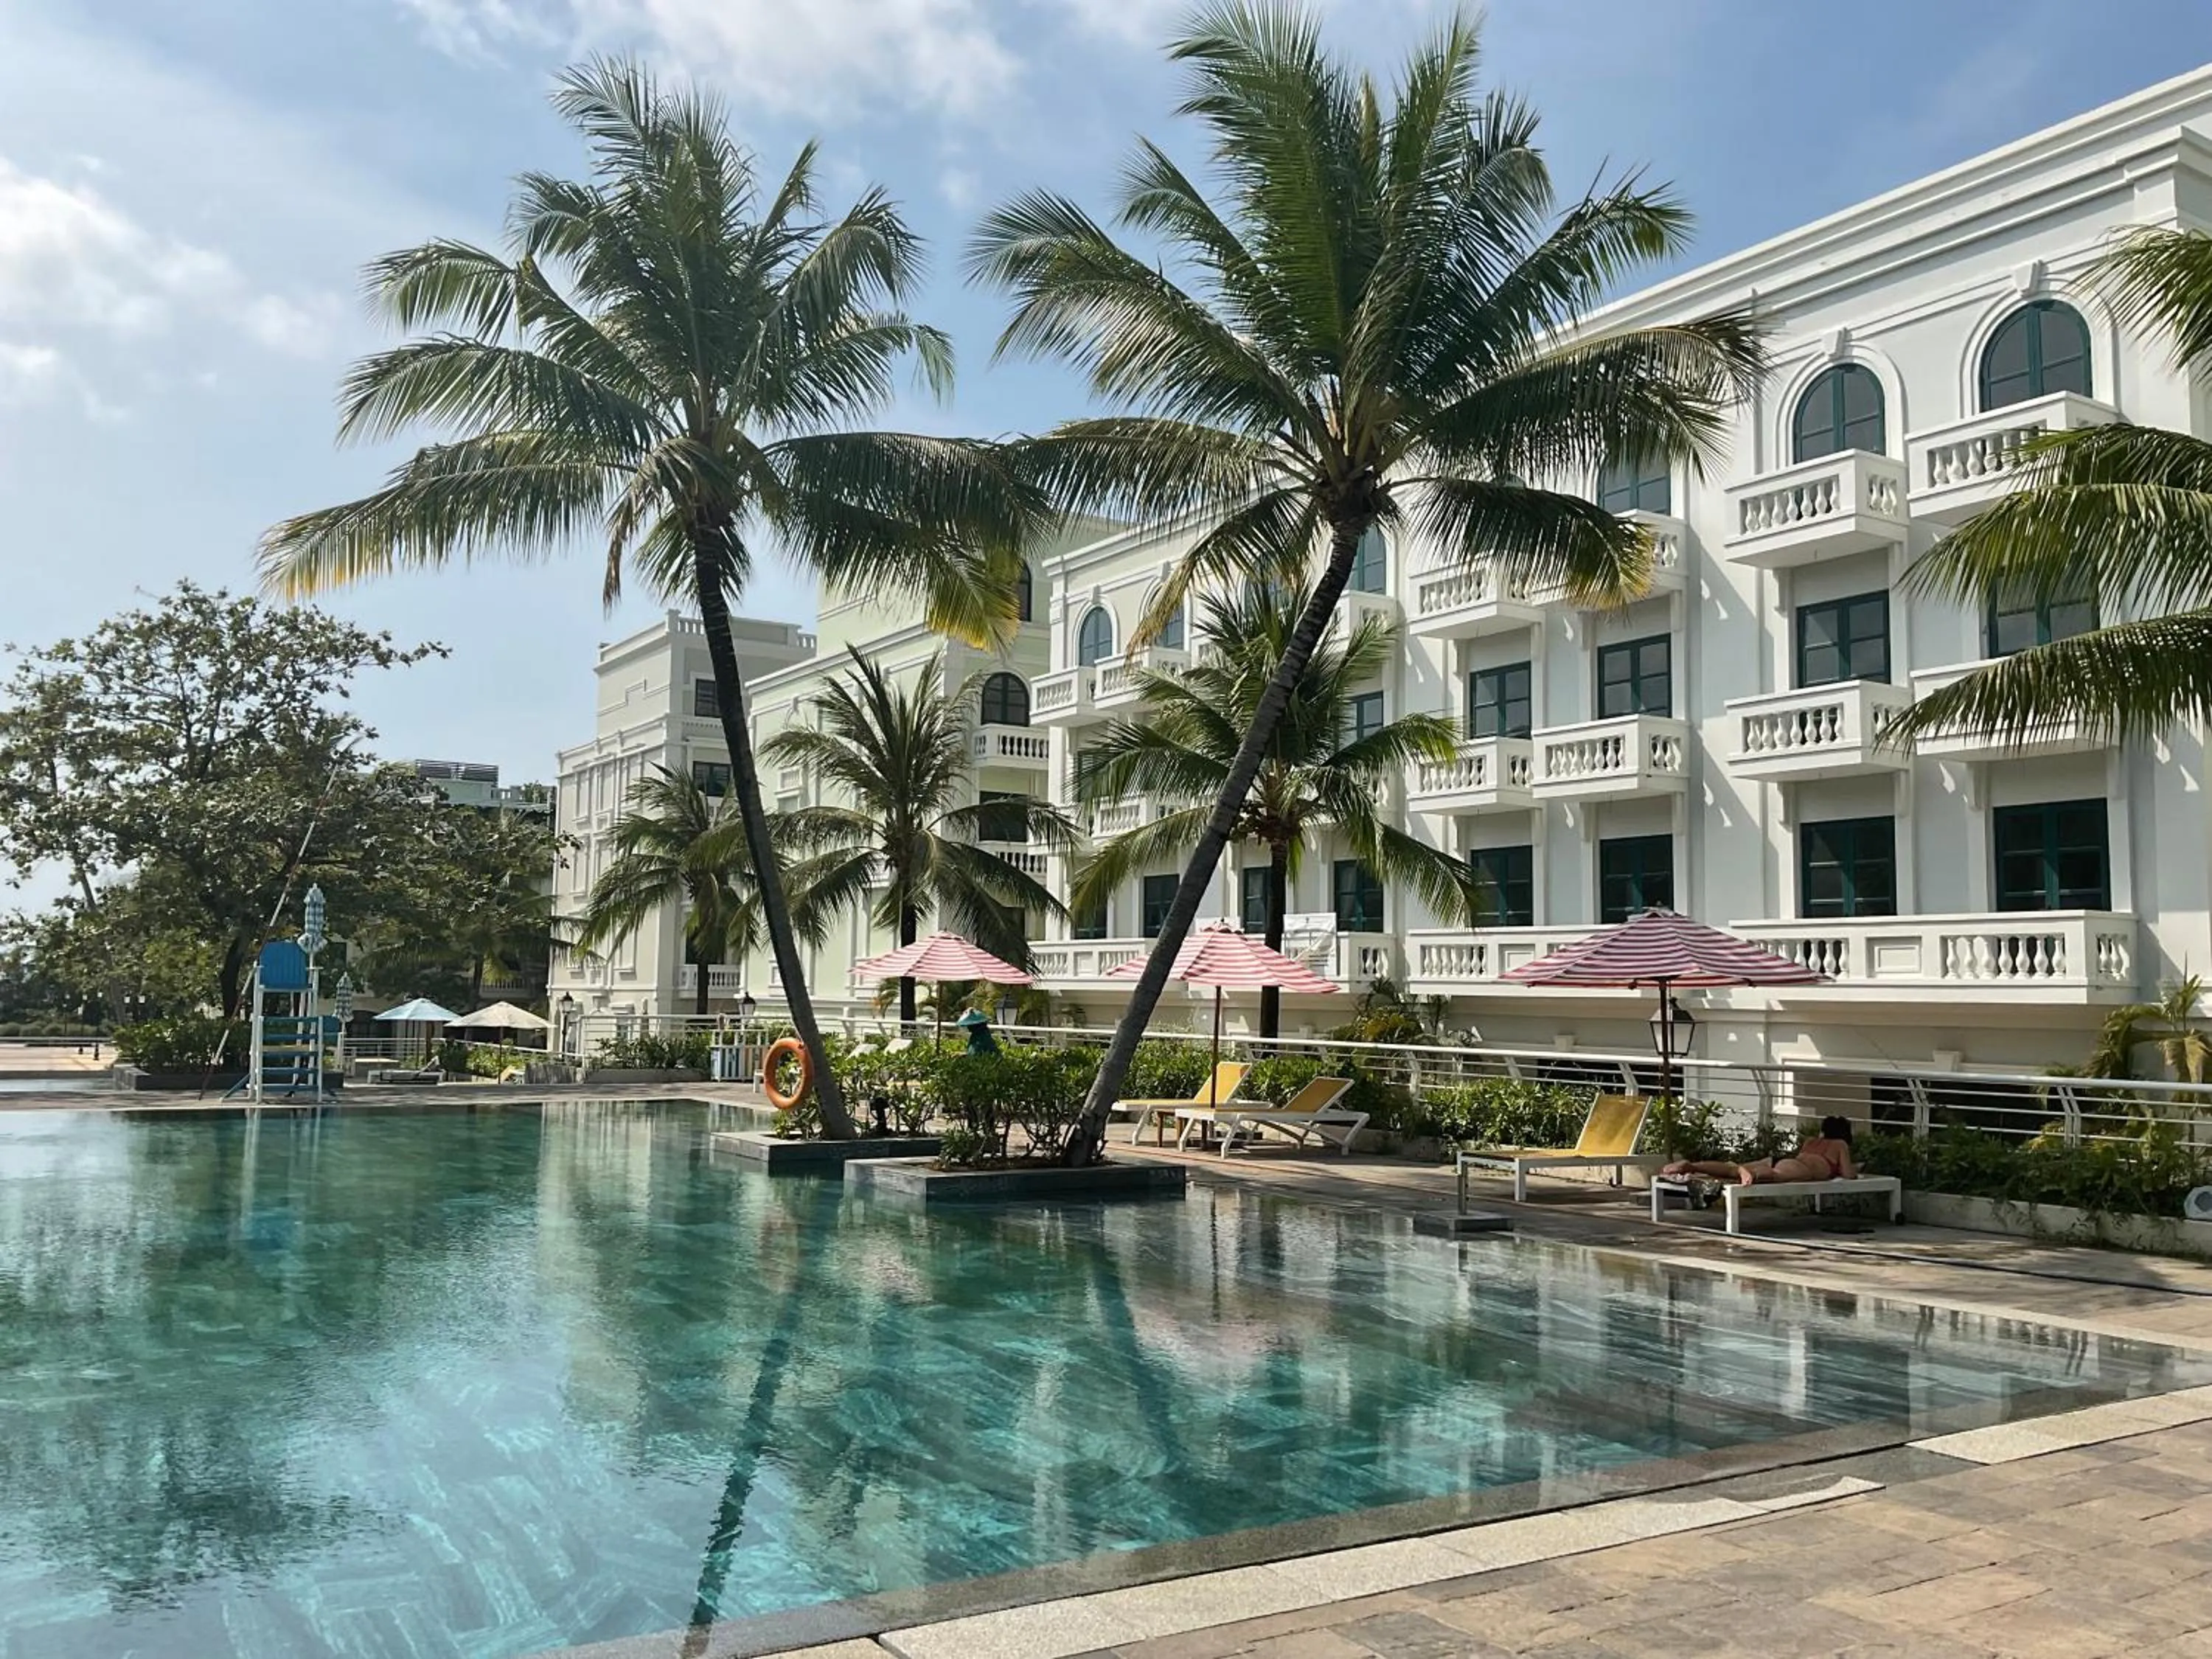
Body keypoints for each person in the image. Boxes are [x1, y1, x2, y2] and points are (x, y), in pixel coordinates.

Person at [1663, 1116, 1857, 1186]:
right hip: (1800, 1169)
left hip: (1785, 1159)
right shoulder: (1840, 1144)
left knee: (1731, 1169)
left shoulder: (1811, 1141)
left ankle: (1692, 1165)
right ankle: (1750, 1174)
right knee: (1774, 1175)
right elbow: (1848, 1175)